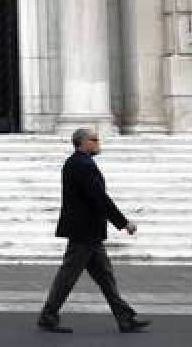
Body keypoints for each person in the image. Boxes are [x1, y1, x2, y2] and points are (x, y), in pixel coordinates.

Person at [38, 128, 151, 334]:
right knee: (69, 275)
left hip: (89, 232)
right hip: (84, 231)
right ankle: (48, 315)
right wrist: (124, 223)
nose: (98, 143)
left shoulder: (78, 163)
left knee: (105, 276)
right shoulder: (82, 166)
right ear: (82, 143)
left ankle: (124, 317)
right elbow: (99, 199)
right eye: (94, 139)